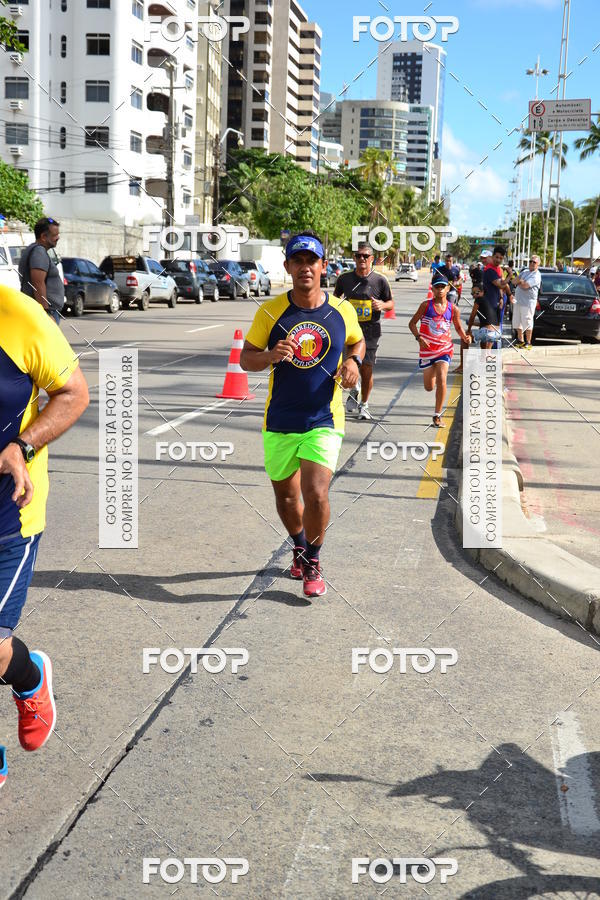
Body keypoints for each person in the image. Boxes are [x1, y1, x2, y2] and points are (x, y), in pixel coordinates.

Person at [240, 231, 365, 599]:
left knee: (316, 492)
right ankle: (298, 543)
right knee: (287, 498)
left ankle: (312, 559)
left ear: (323, 267)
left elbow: (356, 341)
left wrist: (354, 362)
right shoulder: (270, 312)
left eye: (312, 261)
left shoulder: (342, 311)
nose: (305, 268)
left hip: (324, 419)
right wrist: (269, 356)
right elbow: (247, 359)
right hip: (279, 420)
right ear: (288, 267)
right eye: (298, 261)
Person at [0, 284, 89, 787]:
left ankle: (29, 675)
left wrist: (22, 445)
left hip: (8, 516)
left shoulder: (15, 313)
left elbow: (74, 392)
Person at [333, 241, 393, 420]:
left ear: (372, 259)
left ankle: (364, 405)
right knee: (345, 368)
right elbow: (335, 300)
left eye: (365, 256)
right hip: (348, 331)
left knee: (366, 370)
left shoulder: (380, 280)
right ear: (354, 258)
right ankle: (354, 388)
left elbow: (391, 303)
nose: (362, 259)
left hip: (370, 332)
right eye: (358, 256)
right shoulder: (344, 279)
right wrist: (340, 306)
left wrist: (382, 305)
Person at [409, 274, 471, 427]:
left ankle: (437, 415)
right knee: (429, 387)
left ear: (448, 288)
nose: (440, 290)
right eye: (437, 287)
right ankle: (433, 377)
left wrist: (465, 337)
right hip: (427, 350)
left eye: (443, 286)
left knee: (442, 378)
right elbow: (412, 324)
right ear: (432, 288)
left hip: (445, 349)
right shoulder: (425, 306)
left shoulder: (453, 309)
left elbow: (457, 326)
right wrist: (419, 338)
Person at [511, 255, 541, 348]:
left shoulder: (536, 275)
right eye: (530, 261)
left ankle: (528, 342)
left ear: (538, 264)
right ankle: (521, 341)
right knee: (517, 322)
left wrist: (520, 281)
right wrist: (521, 281)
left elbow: (526, 285)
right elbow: (513, 281)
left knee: (527, 322)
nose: (532, 263)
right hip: (518, 300)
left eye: (534, 262)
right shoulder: (525, 271)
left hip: (528, 302)